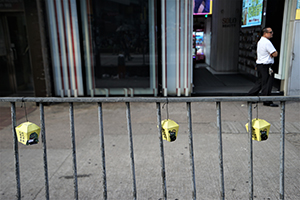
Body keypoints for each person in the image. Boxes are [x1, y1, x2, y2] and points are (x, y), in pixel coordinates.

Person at [248, 27, 278, 107]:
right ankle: (267, 101)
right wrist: (272, 54)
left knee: (260, 81)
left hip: (260, 65)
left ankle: (251, 96)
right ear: (266, 33)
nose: (272, 33)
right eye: (271, 32)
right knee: (267, 83)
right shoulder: (267, 42)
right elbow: (275, 53)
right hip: (266, 65)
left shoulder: (260, 42)